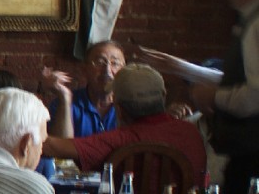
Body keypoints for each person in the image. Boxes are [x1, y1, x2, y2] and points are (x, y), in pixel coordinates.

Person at [143, 0, 259, 194]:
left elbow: (254, 94)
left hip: (252, 152)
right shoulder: (249, 20)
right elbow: (240, 80)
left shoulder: (256, 23)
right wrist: (180, 67)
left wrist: (213, 97)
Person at [43, 63, 206, 184]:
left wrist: (35, 103)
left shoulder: (119, 140)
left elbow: (49, 146)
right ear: (163, 96)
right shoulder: (191, 132)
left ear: (118, 107)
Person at [42, 40, 125, 138]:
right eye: (99, 62)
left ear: (124, 70)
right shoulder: (62, 104)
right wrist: (65, 100)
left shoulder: (130, 105)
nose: (107, 70)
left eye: (115, 63)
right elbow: (59, 148)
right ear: (84, 69)